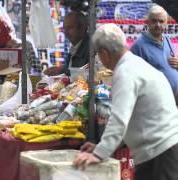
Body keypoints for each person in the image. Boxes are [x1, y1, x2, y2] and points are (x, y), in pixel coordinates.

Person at [74, 23, 178, 180]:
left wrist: (98, 153)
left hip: (162, 151)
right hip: (157, 150)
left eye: (98, 54)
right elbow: (127, 120)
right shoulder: (134, 65)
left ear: (104, 53)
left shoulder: (126, 72)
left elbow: (119, 119)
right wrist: (102, 146)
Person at [130, 5, 178, 103]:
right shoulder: (138, 46)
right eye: (154, 21)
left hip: (173, 102)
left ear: (166, 22)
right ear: (147, 22)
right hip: (156, 104)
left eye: (161, 21)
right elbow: (132, 77)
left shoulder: (168, 40)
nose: (158, 24)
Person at [44, 11, 89, 76]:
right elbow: (71, 70)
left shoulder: (91, 48)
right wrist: (60, 69)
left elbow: (89, 74)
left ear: (83, 28)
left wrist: (62, 70)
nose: (66, 33)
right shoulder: (75, 47)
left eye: (70, 28)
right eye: (65, 29)